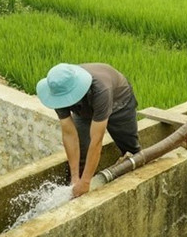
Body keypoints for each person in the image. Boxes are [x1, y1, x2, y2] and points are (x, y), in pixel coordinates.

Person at [36, 63, 141, 197]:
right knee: (81, 153)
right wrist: (75, 177)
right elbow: (69, 134)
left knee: (130, 150)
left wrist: (85, 182)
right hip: (83, 109)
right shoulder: (58, 90)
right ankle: (77, 185)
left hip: (119, 102)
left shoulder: (101, 90)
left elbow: (96, 140)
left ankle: (132, 186)